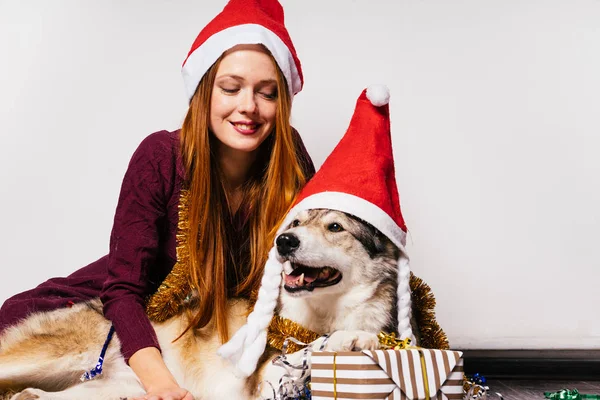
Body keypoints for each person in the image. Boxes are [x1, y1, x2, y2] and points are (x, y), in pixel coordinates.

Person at [0, 1, 315, 399]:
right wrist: (161, 384)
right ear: (204, 91)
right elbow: (124, 291)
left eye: (266, 93)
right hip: (112, 311)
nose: (248, 106)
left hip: (198, 337)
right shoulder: (161, 157)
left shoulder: (292, 162)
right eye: (231, 88)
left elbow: (316, 261)